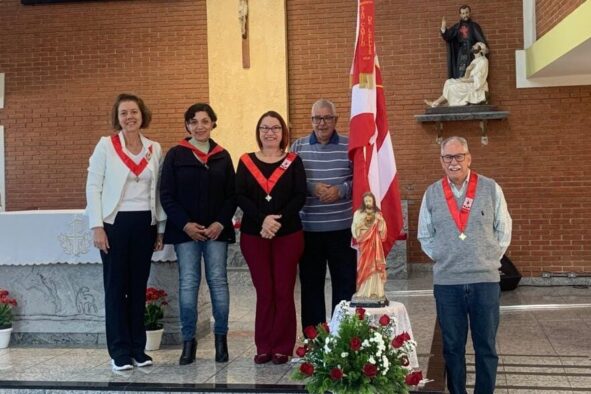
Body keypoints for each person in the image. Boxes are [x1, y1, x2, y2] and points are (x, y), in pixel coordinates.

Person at [418, 136, 512, 394]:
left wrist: (489, 258)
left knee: (486, 347)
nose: (454, 162)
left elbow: (504, 229)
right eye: (448, 157)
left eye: (459, 156)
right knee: (452, 347)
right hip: (448, 282)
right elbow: (424, 235)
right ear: (441, 161)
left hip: (485, 282)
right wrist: (442, 255)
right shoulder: (432, 193)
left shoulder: (491, 188)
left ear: (469, 158)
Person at [86, 93, 166, 371]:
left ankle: (138, 349)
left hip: (145, 223)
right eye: (123, 113)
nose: (129, 117)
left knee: (137, 288)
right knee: (116, 287)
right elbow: (93, 186)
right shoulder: (106, 146)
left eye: (134, 112)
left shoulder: (154, 148)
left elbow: (158, 192)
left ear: (142, 114)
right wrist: (97, 225)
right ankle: (119, 351)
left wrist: (160, 229)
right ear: (117, 118)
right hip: (115, 225)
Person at [159, 103, 236, 366]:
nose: (199, 126)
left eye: (205, 121)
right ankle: (188, 342)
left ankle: (221, 341)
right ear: (187, 126)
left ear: (214, 123)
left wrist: (219, 223)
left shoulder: (222, 156)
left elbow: (232, 195)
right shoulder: (176, 155)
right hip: (186, 233)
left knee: (218, 282)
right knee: (189, 284)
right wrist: (186, 225)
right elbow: (166, 195)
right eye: (194, 122)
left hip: (216, 232)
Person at [236, 111, 306, 365]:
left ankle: (283, 346)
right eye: (264, 128)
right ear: (258, 132)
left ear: (283, 132)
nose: (270, 132)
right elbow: (240, 195)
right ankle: (264, 344)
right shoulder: (245, 161)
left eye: (275, 128)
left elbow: (299, 196)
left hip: (288, 234)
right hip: (254, 235)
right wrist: (262, 220)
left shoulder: (293, 161)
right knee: (265, 291)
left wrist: (276, 221)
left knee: (283, 290)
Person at [291, 99, 356, 330]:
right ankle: (313, 342)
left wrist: (341, 190)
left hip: (343, 231)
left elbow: (360, 180)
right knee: (311, 288)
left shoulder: (350, 146)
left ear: (336, 120)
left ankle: (344, 337)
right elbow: (290, 182)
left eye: (327, 118)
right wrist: (311, 188)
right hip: (309, 231)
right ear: (311, 120)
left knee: (345, 286)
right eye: (317, 118)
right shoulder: (297, 147)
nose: (322, 123)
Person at [425, 42, 489, 108]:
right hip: (469, 82)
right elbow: (467, 77)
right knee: (448, 82)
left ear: (480, 50)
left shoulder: (483, 61)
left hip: (476, 87)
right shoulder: (474, 61)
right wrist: (467, 70)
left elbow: (479, 79)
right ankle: (439, 102)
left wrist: (463, 81)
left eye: (475, 45)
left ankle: (435, 103)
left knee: (452, 87)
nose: (473, 46)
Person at [351, 192, 387, 299]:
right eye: (366, 201)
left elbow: (383, 230)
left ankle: (376, 291)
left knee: (375, 266)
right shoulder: (358, 213)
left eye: (370, 201)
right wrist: (361, 224)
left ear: (373, 201)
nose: (368, 203)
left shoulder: (378, 214)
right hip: (364, 244)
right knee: (364, 266)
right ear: (363, 202)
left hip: (375, 245)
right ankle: (363, 291)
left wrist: (380, 221)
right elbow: (354, 227)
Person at [440, 5, 487, 79]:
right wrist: (443, 28)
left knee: (471, 70)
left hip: (472, 51)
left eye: (467, 12)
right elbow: (448, 36)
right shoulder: (457, 27)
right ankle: (461, 83)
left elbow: (481, 40)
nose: (465, 15)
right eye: (463, 13)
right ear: (460, 15)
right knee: (461, 70)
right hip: (461, 51)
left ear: (469, 13)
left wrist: (483, 48)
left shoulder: (474, 26)